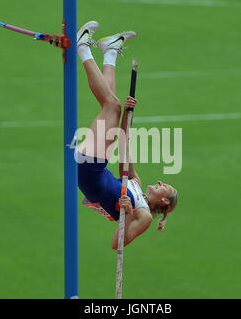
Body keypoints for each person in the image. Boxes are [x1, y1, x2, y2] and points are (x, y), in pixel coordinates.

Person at [75, 21, 178, 249]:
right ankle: (110, 52)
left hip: (90, 172)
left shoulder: (145, 217)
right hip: (91, 169)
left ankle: (82, 47)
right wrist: (129, 115)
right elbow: (123, 143)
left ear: (164, 200)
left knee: (111, 105)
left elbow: (116, 244)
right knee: (113, 105)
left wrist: (129, 213)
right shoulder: (136, 184)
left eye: (165, 186)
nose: (161, 182)